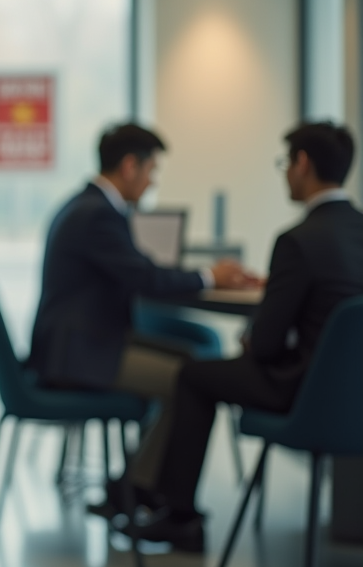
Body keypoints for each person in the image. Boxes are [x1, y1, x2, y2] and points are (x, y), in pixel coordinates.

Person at [139, 122, 363, 552]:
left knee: (193, 375)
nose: (285, 175)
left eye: (285, 164)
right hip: (354, 396)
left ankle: (178, 516)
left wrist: (254, 334)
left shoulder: (297, 240)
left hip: (304, 391)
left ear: (303, 164)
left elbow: (265, 345)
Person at [26, 123, 248, 507]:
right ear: (130, 166)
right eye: (151, 172)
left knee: (190, 364)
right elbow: (145, 277)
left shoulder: (89, 206)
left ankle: (137, 484)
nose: (151, 182)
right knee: (188, 380)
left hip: (86, 339)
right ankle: (145, 492)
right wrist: (210, 275)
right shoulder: (97, 214)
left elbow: (139, 271)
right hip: (79, 353)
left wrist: (201, 276)